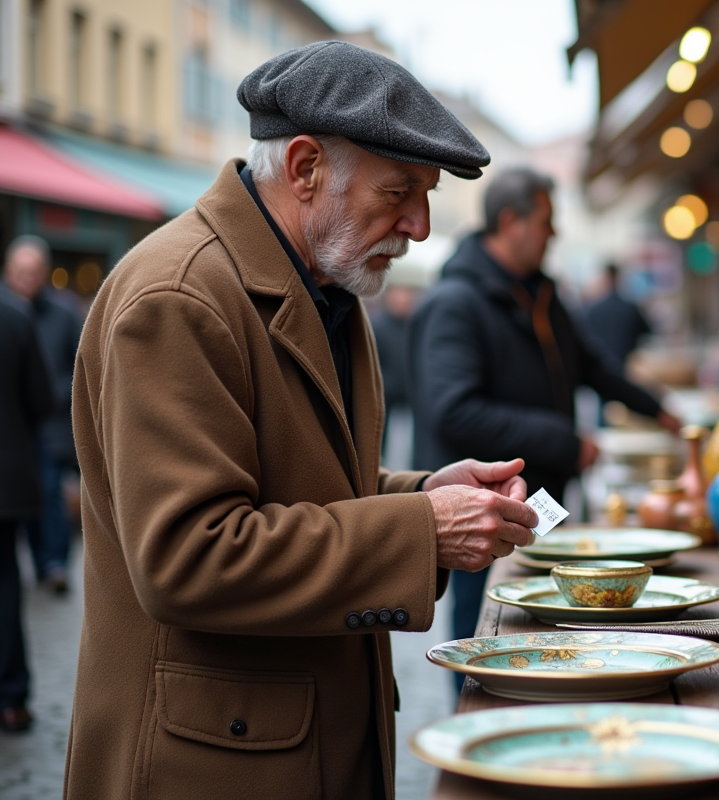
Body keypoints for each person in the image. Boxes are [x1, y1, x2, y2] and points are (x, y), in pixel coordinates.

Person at [65, 42, 540, 800]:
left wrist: (423, 490)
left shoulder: (324, 283)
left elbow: (296, 479)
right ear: (306, 166)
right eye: (400, 192)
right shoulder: (180, 297)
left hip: (286, 740)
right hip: (212, 762)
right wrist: (422, 528)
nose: (418, 225)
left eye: (427, 196)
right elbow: (191, 555)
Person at [408, 167, 681, 651]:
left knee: (539, 624)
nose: (554, 234)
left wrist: (660, 411)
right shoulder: (455, 302)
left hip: (543, 501)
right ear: (512, 221)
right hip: (482, 506)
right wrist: (565, 442)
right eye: (546, 222)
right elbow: (455, 410)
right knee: (483, 631)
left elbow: (593, 366)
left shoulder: (543, 293)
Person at [2, 235, 83, 594]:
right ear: (8, 272)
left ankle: (52, 564)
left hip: (49, 424)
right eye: (20, 271)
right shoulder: (8, 313)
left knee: (49, 492)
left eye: (33, 272)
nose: (26, 278)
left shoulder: (64, 313)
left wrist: (55, 392)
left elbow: (81, 366)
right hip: (13, 428)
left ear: (44, 273)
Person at [0, 298, 54, 732]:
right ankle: (10, 698)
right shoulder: (15, 318)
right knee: (4, 582)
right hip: (7, 476)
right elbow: (41, 400)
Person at [370, 274, 419, 468]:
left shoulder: (415, 325)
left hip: (411, 399)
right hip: (385, 400)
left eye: (408, 293)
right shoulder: (377, 325)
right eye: (399, 293)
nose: (403, 298)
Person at [583, 262, 653, 371]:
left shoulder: (593, 309)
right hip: (625, 364)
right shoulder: (630, 308)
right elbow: (646, 331)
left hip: (601, 367)